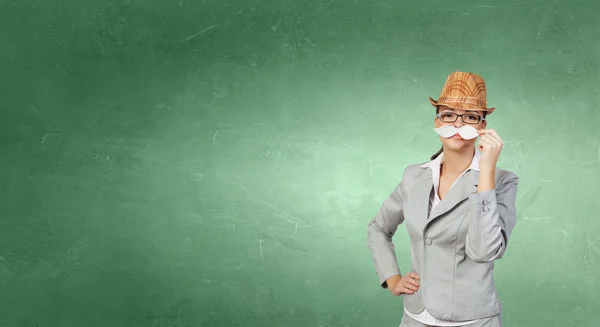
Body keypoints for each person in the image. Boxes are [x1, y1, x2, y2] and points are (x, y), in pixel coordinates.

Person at [367, 72, 519, 327]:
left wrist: (487, 172)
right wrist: (392, 278)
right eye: (449, 115)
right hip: (415, 316)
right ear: (437, 122)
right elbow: (378, 228)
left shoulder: (502, 181)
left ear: (482, 126)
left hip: (472, 320)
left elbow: (484, 251)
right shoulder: (414, 176)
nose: (458, 124)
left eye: (470, 117)